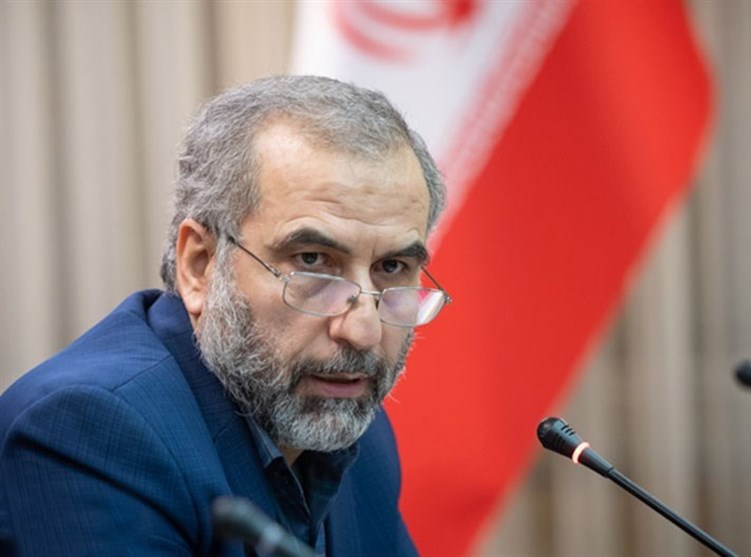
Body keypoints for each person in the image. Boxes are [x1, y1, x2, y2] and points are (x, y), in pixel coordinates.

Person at [0, 75, 450, 556]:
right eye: (312, 261)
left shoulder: (359, 432)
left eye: (392, 267)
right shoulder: (90, 430)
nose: (363, 330)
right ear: (200, 265)